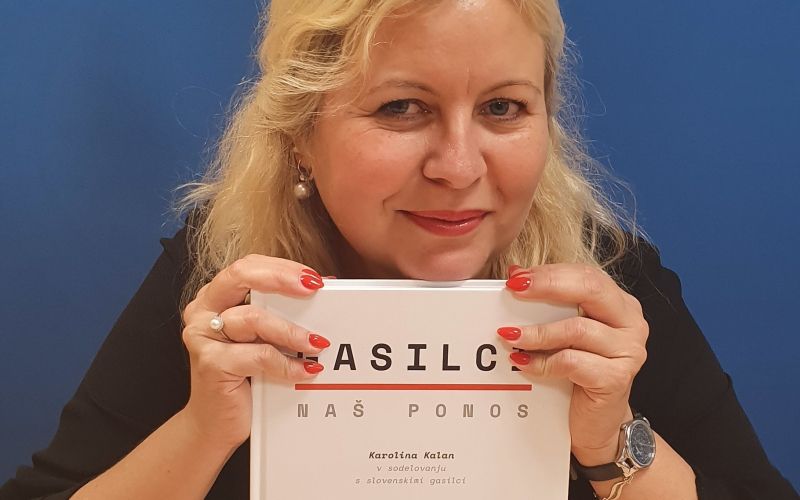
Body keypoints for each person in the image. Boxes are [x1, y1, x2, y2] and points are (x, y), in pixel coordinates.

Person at [1, 0, 796, 499]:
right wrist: (204, 428)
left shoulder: (606, 292)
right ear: (301, 135)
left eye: (503, 108)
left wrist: (612, 444)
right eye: (402, 108)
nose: (458, 166)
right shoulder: (225, 283)